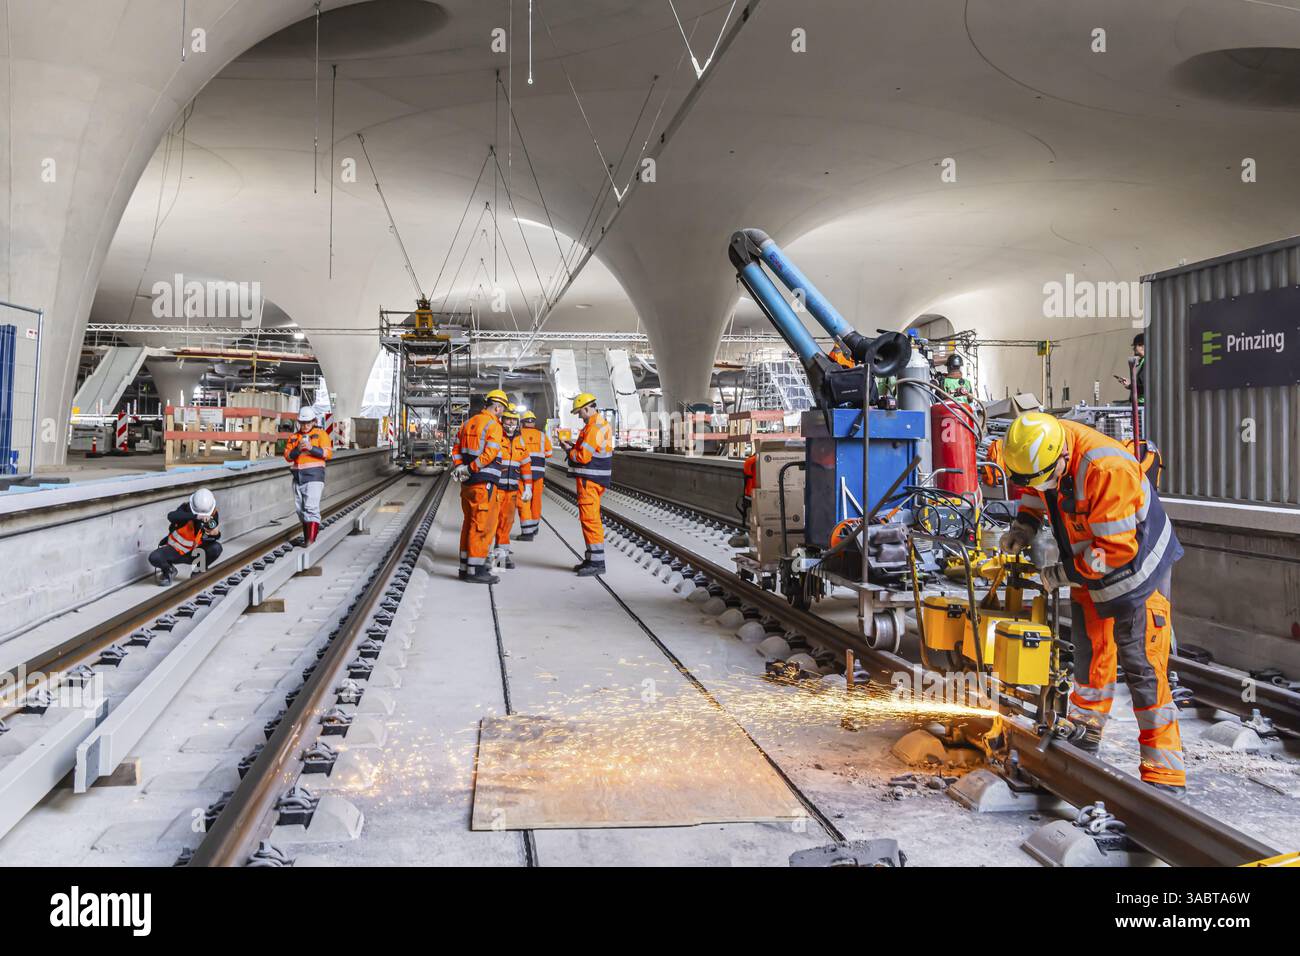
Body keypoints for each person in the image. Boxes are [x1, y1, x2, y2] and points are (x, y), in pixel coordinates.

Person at [998, 411, 1186, 797]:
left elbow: (1115, 553)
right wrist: (1024, 527)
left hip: (1137, 568)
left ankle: (1164, 771)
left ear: (1062, 459)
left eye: (1045, 478)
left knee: (1141, 664)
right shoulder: (1041, 453)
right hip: (1088, 562)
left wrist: (1062, 574)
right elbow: (1037, 489)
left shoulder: (1106, 468)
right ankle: (1086, 731)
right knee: (1090, 650)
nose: (1041, 486)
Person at [452, 388, 509, 584]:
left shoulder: (467, 423)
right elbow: (490, 454)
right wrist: (472, 468)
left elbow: (456, 449)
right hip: (483, 484)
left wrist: (461, 468)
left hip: (467, 484)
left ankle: (465, 567)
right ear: (498, 406)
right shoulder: (493, 425)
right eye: (502, 409)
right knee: (481, 526)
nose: (502, 413)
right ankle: (475, 571)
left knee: (468, 524)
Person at [560, 393, 613, 576]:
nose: (579, 416)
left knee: (590, 520)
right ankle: (591, 558)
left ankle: (597, 563)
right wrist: (574, 446)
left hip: (590, 481)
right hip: (593, 480)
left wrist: (569, 450)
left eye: (579, 413)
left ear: (587, 409)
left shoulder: (594, 428)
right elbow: (588, 450)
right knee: (589, 519)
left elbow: (583, 456)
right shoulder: (596, 426)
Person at [149, 488, 222, 585]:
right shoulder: (184, 509)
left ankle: (198, 571)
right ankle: (169, 570)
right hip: (177, 552)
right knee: (154, 557)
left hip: (197, 554)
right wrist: (196, 516)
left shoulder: (213, 515)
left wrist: (216, 534)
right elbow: (171, 516)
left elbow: (212, 537)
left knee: (216, 548)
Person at [492, 405, 533, 570]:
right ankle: (481, 558)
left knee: (506, 524)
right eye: (508, 419)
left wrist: (528, 487)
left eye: (514, 420)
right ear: (502, 420)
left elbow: (526, 465)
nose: (511, 423)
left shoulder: (520, 440)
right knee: (490, 524)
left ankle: (501, 560)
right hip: (495, 489)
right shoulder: (495, 437)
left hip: (511, 490)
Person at [284, 406, 333, 545]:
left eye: (308, 423)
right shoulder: (294, 438)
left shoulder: (321, 434)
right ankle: (308, 537)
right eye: (302, 423)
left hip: (314, 477)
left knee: (311, 508)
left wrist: (311, 448)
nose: (305, 426)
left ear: (313, 421)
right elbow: (288, 456)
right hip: (298, 478)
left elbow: (327, 453)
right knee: (300, 510)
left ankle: (310, 540)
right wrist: (297, 449)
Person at [516, 407, 552, 541]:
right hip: (538, 473)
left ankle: (527, 532)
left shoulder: (518, 435)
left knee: (524, 499)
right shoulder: (542, 436)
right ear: (534, 423)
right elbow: (548, 453)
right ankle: (535, 527)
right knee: (536, 501)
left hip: (522, 473)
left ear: (522, 422)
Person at [729, 452, 758, 548]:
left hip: (751, 492)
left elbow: (747, 473)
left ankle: (753, 534)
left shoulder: (751, 460)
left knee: (754, 517)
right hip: (757, 492)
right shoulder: (755, 460)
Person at [1115, 333, 1145, 405]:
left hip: (1142, 404)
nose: (1133, 348)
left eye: (1135, 345)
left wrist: (1130, 386)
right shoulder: (1143, 362)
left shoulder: (1147, 362)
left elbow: (1143, 387)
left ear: (1142, 346)